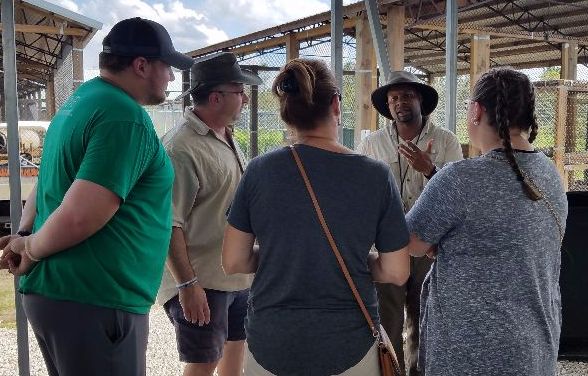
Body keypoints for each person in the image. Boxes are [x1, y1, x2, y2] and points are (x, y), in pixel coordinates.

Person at [0, 17, 192, 376]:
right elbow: (81, 215)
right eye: (167, 67)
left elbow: (44, 183)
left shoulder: (79, 103)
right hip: (95, 299)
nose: (170, 77)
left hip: (66, 295)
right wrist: (30, 248)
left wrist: (25, 236)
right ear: (141, 65)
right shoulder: (124, 116)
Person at [222, 58, 410, 375]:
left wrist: (281, 256)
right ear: (336, 104)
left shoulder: (259, 171)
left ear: (287, 112)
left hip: (272, 342)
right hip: (349, 343)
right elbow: (396, 271)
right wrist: (348, 259)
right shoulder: (374, 175)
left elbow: (234, 261)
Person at [406, 67, 567, 375]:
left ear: (477, 111)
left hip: (468, 353)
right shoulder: (551, 175)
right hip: (535, 349)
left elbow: (411, 242)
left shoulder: (459, 179)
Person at [156, 52, 262, 376]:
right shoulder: (180, 148)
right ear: (216, 97)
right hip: (201, 281)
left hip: (234, 277)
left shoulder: (225, 136)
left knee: (235, 360)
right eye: (239, 91)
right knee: (202, 365)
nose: (245, 98)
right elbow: (168, 223)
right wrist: (187, 284)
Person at [356, 71, 463, 376]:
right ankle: (392, 371)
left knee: (424, 317)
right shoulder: (372, 144)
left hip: (428, 247)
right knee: (386, 320)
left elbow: (457, 194)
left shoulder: (445, 140)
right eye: (393, 98)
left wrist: (430, 169)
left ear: (420, 100)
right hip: (386, 245)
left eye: (406, 95)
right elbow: (361, 192)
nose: (399, 102)